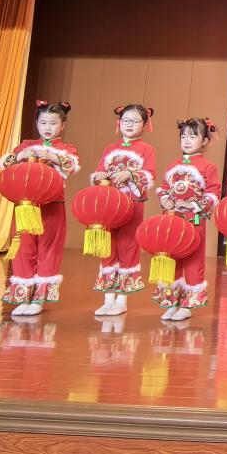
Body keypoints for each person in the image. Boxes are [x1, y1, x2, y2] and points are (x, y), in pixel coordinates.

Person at [1, 100, 80, 316]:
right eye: (43, 122)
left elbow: (72, 166)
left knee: (48, 250)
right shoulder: (26, 145)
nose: (47, 127)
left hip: (52, 206)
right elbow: (6, 164)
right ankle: (23, 296)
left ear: (62, 126)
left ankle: (39, 299)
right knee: (23, 248)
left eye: (53, 123)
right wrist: (20, 156)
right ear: (36, 123)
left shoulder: (66, 149)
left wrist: (53, 156)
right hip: (26, 206)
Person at [89, 104, 156, 317]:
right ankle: (108, 298)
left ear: (144, 125)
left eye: (135, 121)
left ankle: (122, 300)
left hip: (132, 203)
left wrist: (131, 174)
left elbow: (149, 176)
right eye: (126, 120)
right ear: (119, 122)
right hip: (109, 205)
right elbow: (99, 171)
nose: (129, 124)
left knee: (127, 246)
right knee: (108, 247)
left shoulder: (146, 149)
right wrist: (99, 176)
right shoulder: (110, 148)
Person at [154, 117, 221, 322]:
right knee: (171, 258)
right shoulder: (173, 165)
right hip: (172, 220)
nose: (187, 141)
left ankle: (187, 304)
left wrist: (192, 205)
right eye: (183, 137)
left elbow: (213, 194)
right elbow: (164, 188)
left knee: (193, 260)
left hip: (194, 220)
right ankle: (171, 301)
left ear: (205, 141)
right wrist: (165, 199)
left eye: (193, 136)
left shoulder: (208, 167)